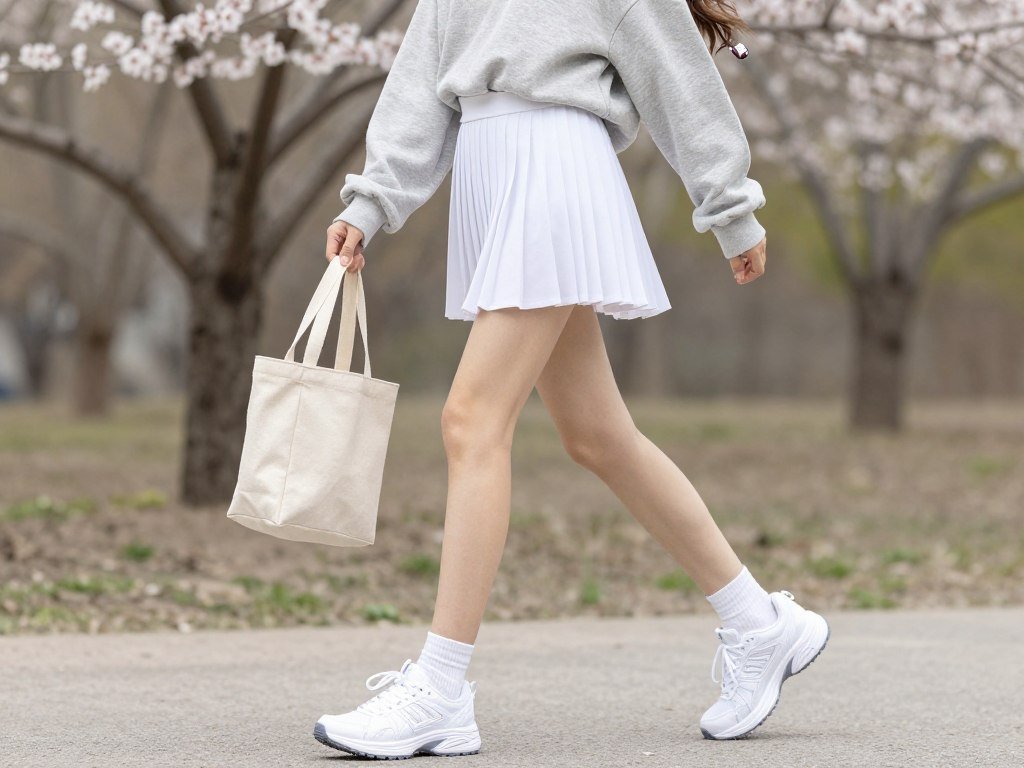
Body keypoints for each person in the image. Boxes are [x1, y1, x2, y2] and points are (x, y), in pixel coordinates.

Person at [314, 0, 829, 758]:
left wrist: (729, 207)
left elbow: (676, 76)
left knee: (470, 422)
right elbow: (419, 84)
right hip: (492, 177)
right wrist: (371, 203)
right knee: (596, 436)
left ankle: (441, 688)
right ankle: (760, 623)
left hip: (554, 170)